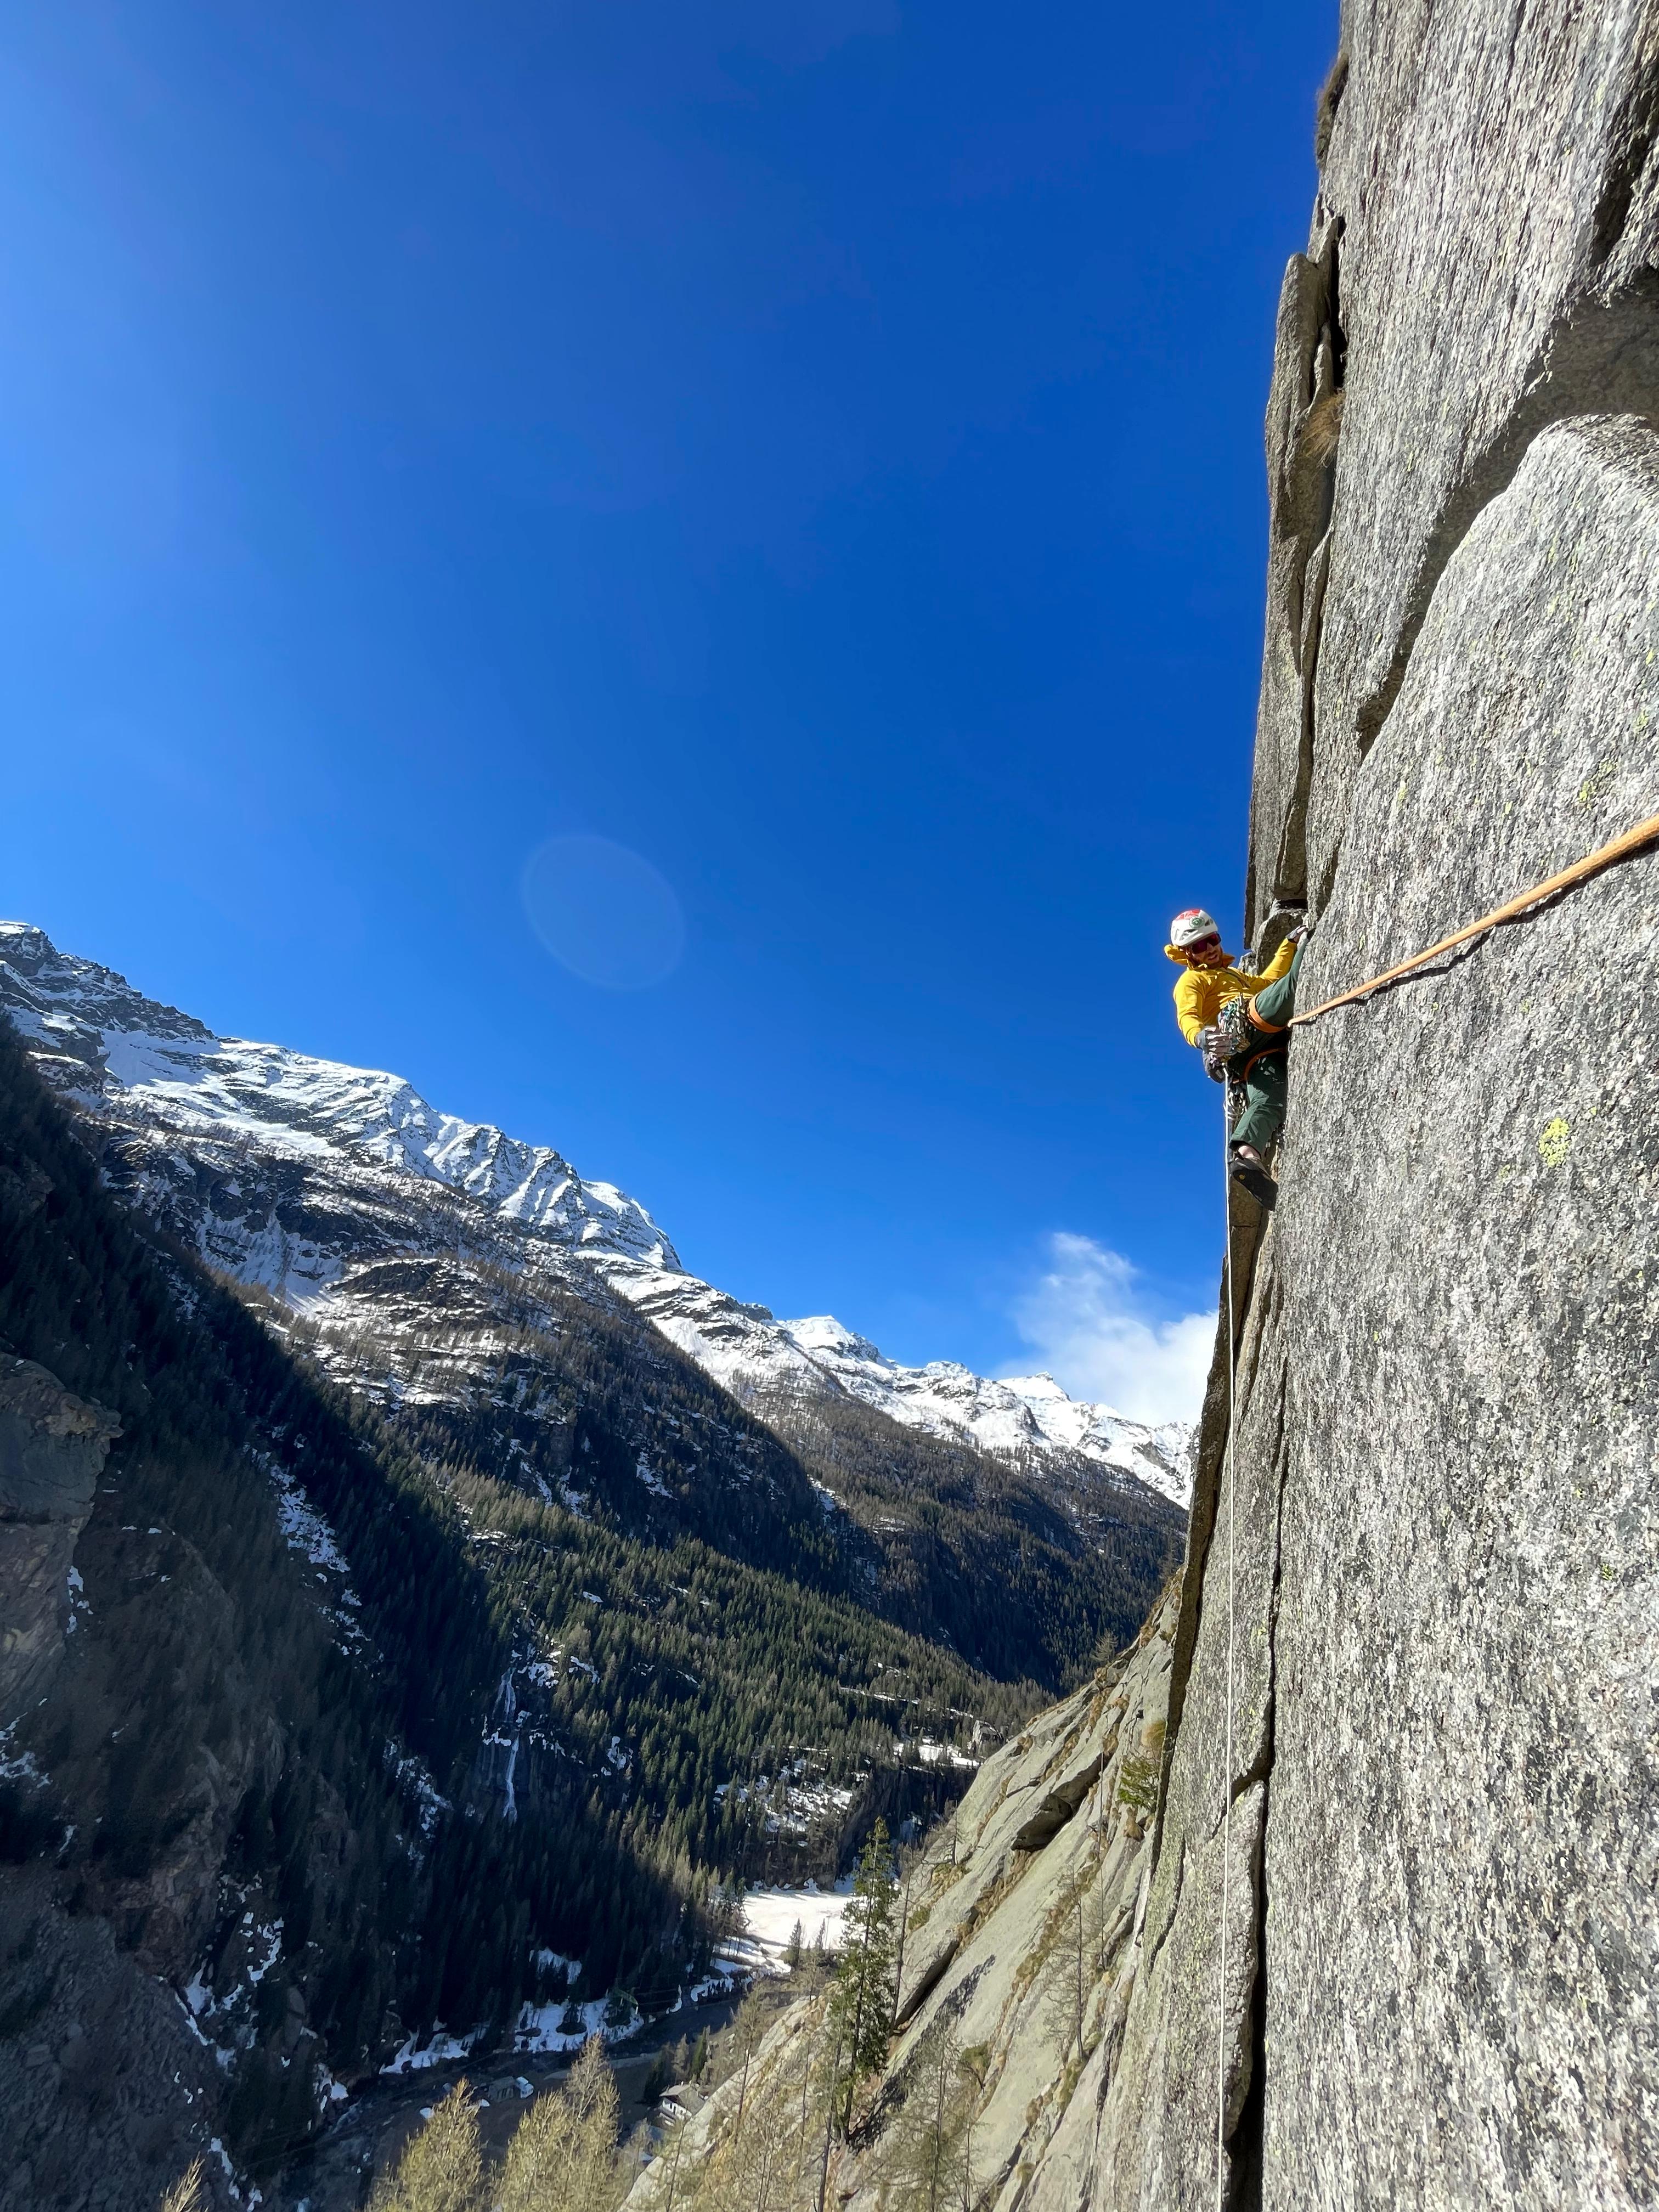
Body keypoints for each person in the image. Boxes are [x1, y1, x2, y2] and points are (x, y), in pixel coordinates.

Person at [1165, 908, 1307, 1207]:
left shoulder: (1234, 975)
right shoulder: (1191, 981)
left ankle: (1246, 1156)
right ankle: (1311, 951)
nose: (1210, 949)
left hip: (1255, 1053)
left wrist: (1289, 945)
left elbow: (1267, 982)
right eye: (1199, 946)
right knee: (1293, 986)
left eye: (1212, 940)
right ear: (1187, 954)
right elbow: (1187, 1017)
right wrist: (1202, 1038)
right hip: (1245, 1024)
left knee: (1270, 1100)